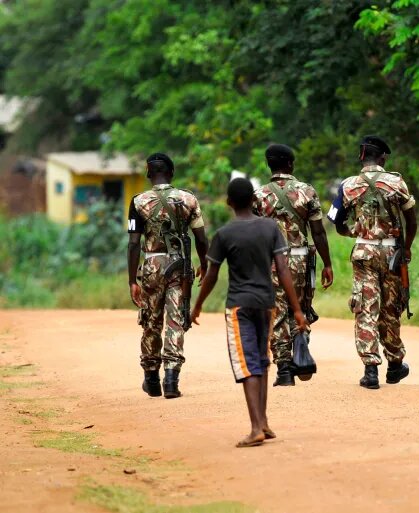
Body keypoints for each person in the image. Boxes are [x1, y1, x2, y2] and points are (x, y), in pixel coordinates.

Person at [191, 178, 307, 447]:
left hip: (239, 305)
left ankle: (256, 428)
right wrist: (297, 309)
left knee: (248, 364)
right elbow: (283, 269)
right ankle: (263, 422)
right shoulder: (270, 228)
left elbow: (211, 274)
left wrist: (197, 305)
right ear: (255, 201)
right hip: (266, 304)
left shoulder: (224, 234)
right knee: (262, 361)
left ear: (228, 202)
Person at [327, 135, 417, 389]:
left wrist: (353, 232)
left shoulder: (348, 185)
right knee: (391, 308)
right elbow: (412, 221)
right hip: (391, 254)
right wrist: (406, 248)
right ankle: (395, 364)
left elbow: (336, 220)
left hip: (363, 252)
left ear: (361, 156)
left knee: (366, 308)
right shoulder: (396, 182)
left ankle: (370, 371)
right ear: (383, 158)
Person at [127, 153, 208, 399]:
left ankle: (151, 378)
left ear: (148, 174)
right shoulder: (188, 199)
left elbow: (133, 243)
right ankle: (171, 380)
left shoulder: (138, 202)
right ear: (171, 173)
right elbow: (201, 238)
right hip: (179, 265)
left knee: (151, 320)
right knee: (175, 320)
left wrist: (132, 281)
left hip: (152, 265)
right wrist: (204, 264)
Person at [253, 144, 334, 386]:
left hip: (271, 261)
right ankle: (300, 346)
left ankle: (284, 370)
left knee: (276, 312)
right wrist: (327, 264)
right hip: (300, 259)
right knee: (300, 307)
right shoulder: (306, 191)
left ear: (269, 165)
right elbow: (318, 232)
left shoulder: (258, 195)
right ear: (290, 164)